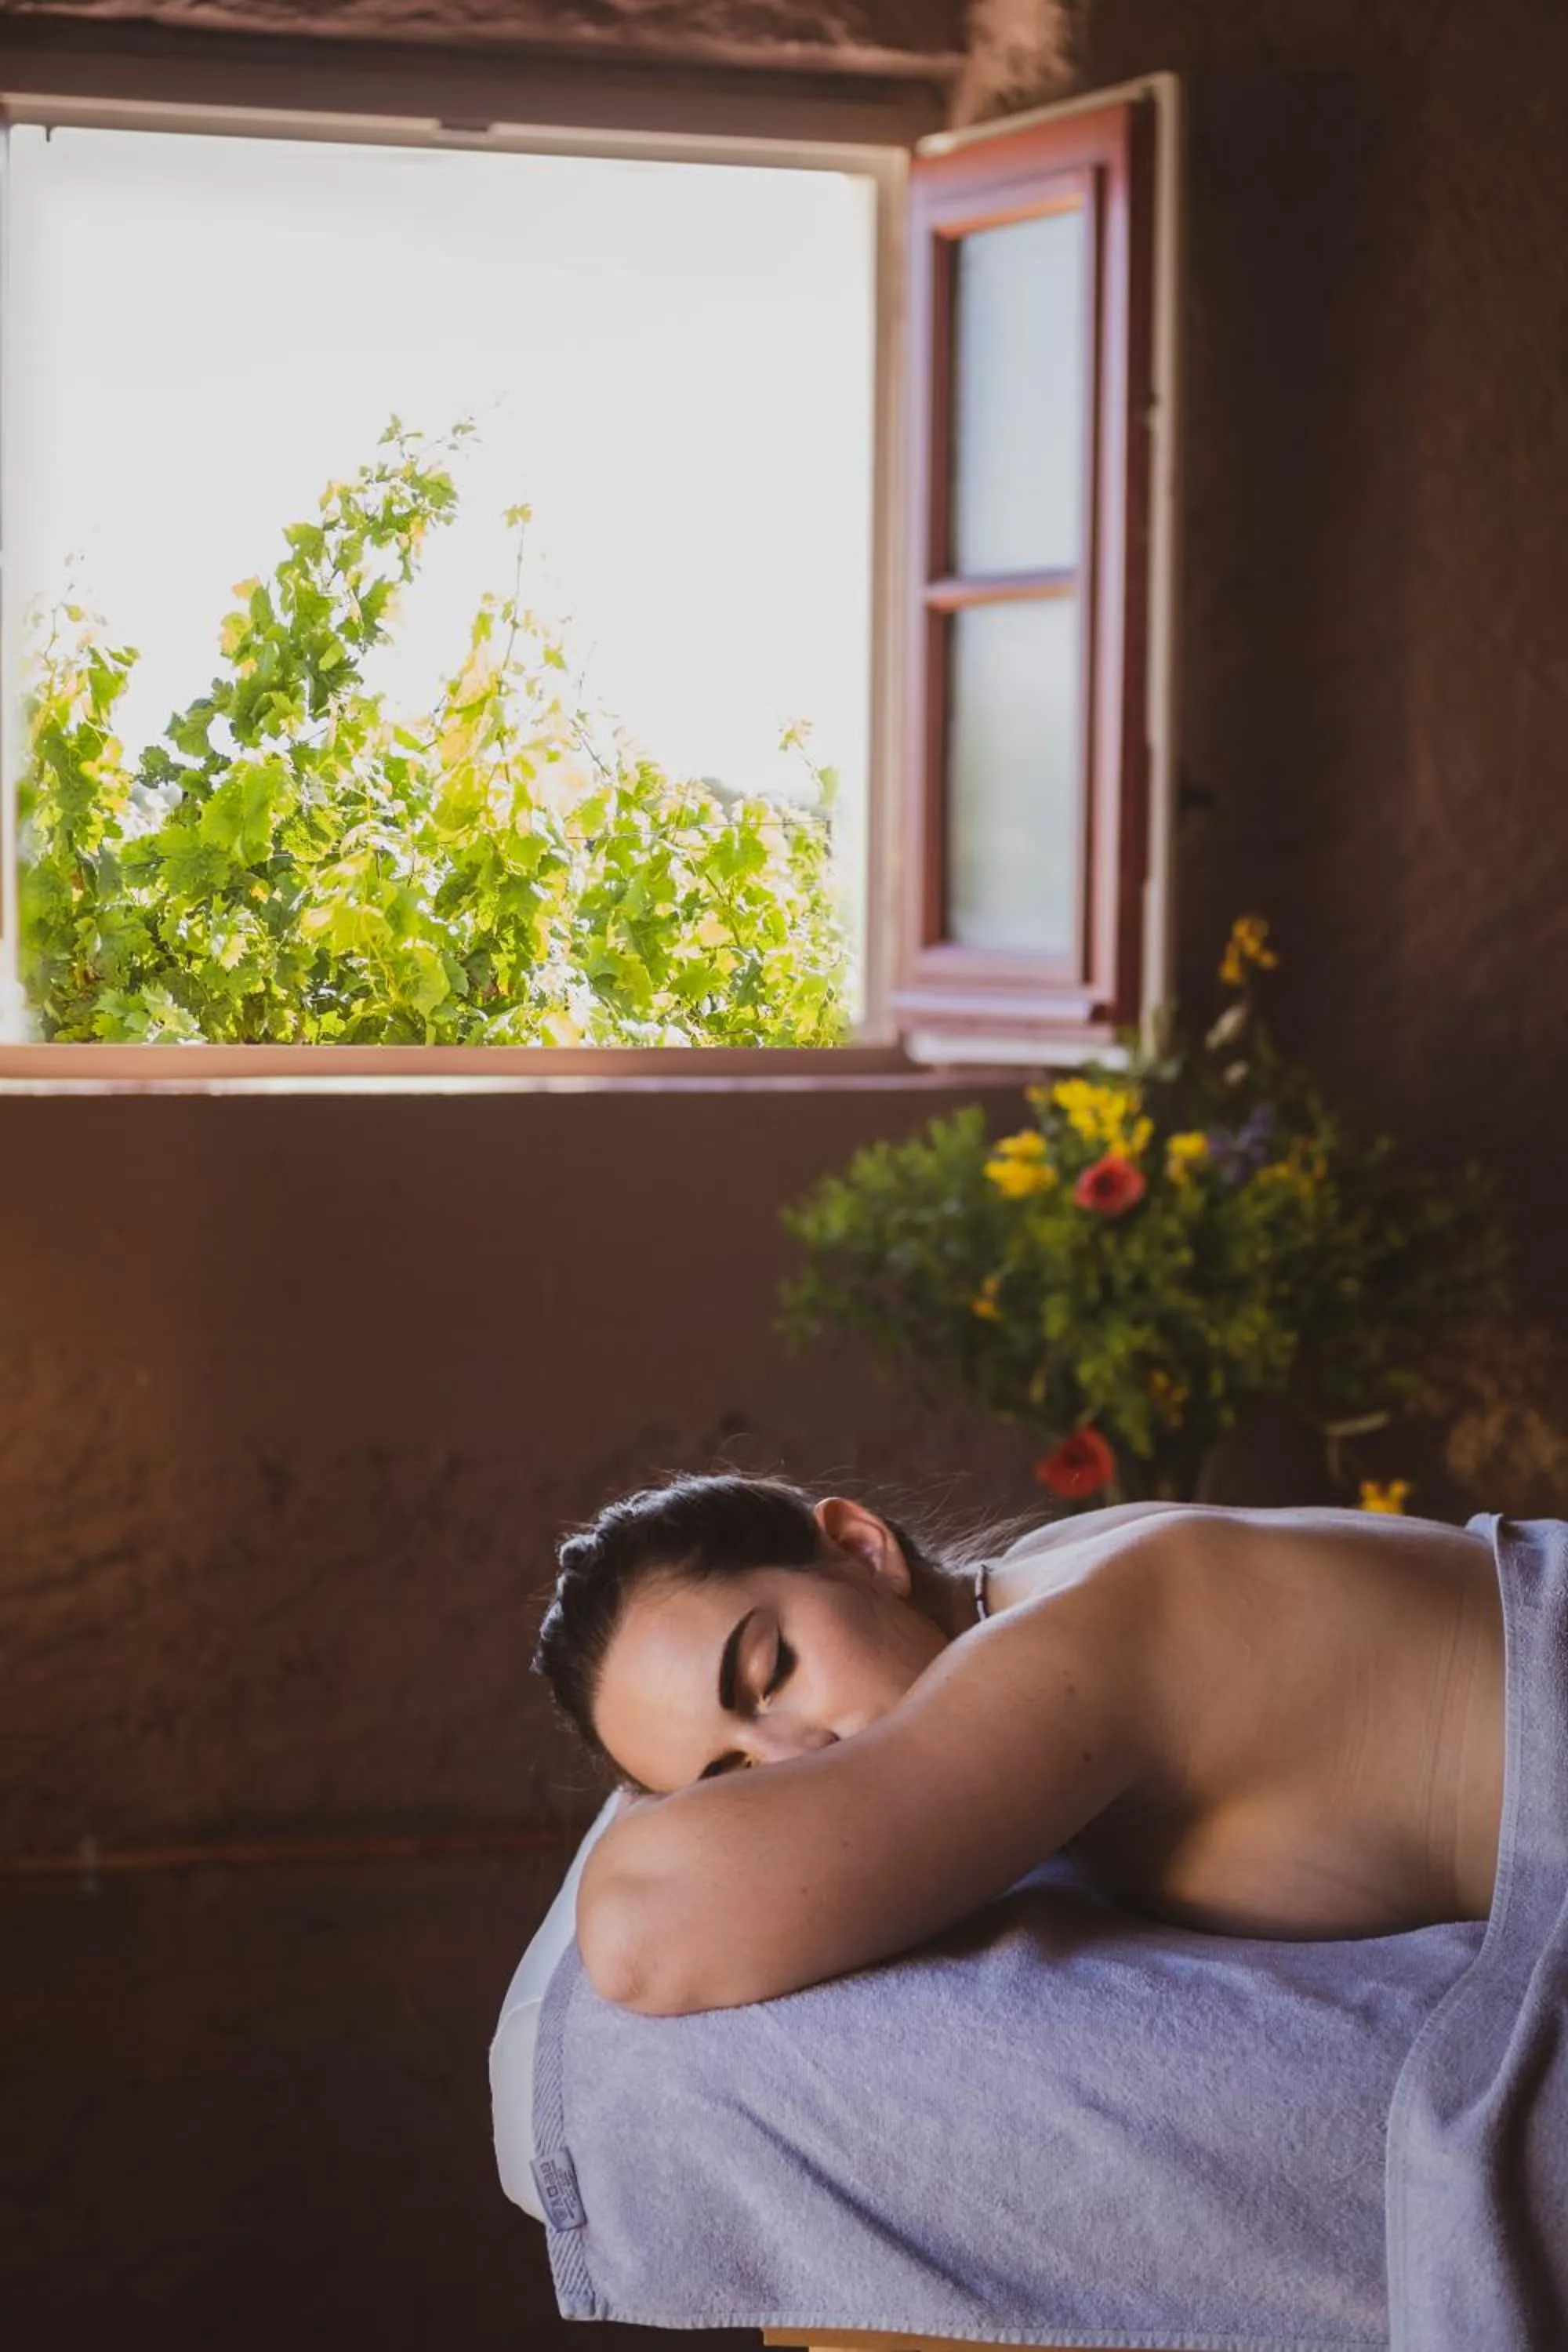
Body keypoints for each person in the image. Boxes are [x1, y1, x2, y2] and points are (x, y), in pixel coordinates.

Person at [532, 1474, 1505, 2017]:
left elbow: (640, 1931)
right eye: (731, 1778)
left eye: (771, 1669)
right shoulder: (1031, 1577)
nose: (798, 1759)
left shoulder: (1063, 1647)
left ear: (862, 1548)